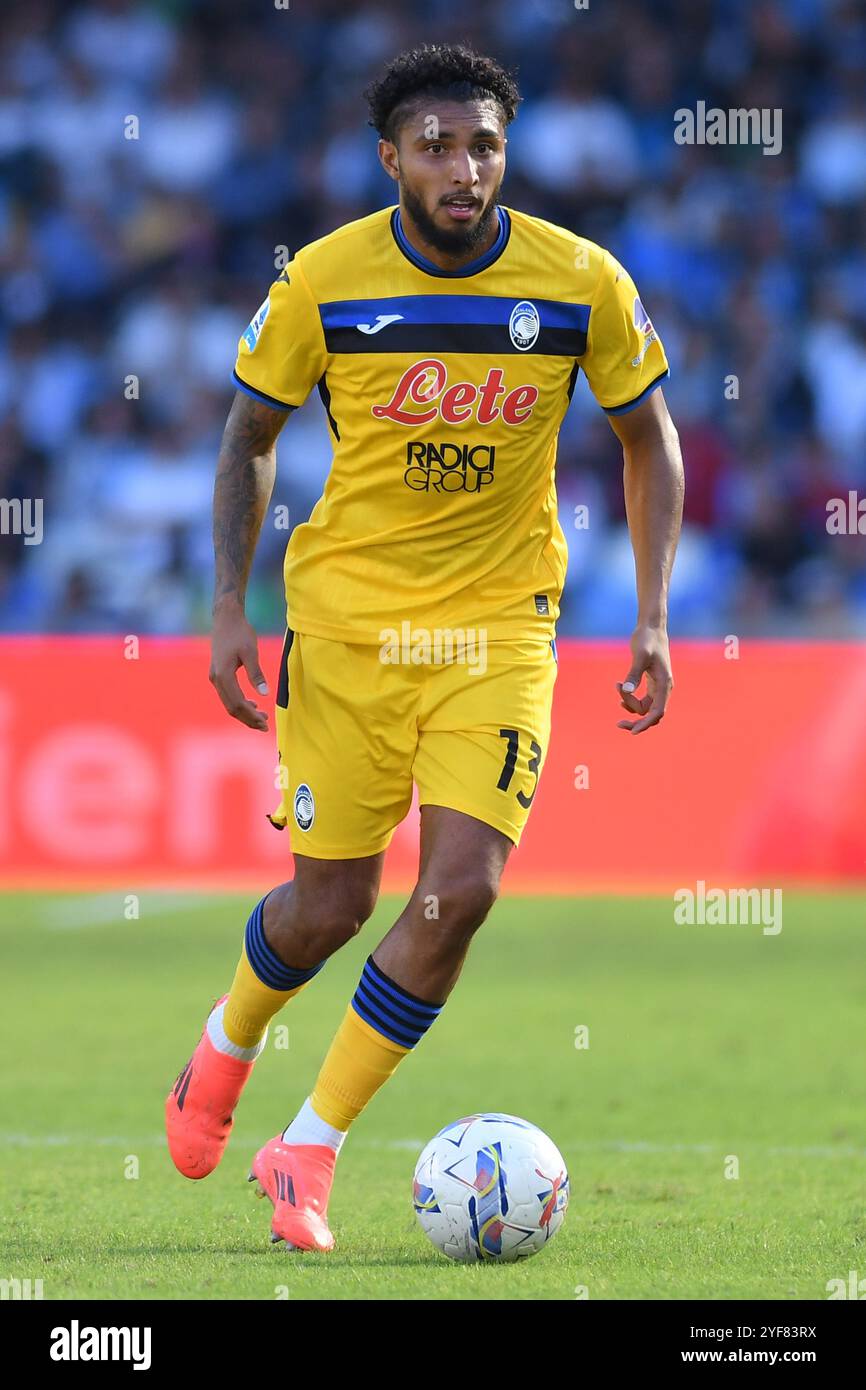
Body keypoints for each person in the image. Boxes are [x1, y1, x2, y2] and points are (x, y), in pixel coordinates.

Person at [165, 42, 684, 1252]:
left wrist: (652, 612)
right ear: (389, 157)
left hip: (499, 631)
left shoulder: (580, 280)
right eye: (439, 146)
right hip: (345, 629)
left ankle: (309, 1147)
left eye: (485, 145)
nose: (465, 168)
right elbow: (249, 432)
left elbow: (648, 439)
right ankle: (223, 1045)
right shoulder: (323, 280)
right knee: (325, 907)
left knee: (460, 894)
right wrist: (227, 605)